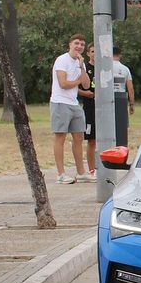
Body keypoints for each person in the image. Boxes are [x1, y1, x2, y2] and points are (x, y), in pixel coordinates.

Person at [50, 34, 89, 184]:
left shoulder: (80, 63)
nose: (79, 46)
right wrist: (78, 80)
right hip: (60, 102)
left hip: (74, 103)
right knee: (61, 136)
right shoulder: (62, 60)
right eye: (76, 43)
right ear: (70, 45)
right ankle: (61, 174)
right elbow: (63, 83)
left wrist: (81, 67)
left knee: (79, 137)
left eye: (82, 44)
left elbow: (86, 85)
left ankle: (81, 172)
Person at [78, 42, 98, 180]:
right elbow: (76, 88)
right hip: (89, 108)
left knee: (107, 140)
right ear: (88, 53)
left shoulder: (106, 68)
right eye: (92, 52)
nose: (95, 55)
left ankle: (103, 168)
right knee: (92, 140)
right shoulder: (85, 69)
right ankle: (92, 170)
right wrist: (87, 94)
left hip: (104, 109)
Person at [111, 45, 135, 148]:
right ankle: (121, 147)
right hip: (121, 98)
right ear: (120, 55)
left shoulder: (105, 67)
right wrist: (131, 104)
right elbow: (130, 88)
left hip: (108, 98)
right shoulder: (125, 69)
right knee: (121, 126)